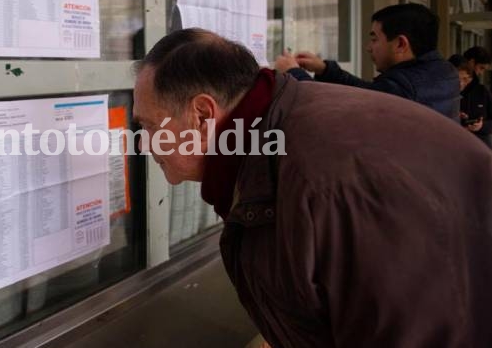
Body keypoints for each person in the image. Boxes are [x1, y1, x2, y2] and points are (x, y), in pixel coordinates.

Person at [133, 28, 492, 348]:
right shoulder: (280, 133)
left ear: (202, 115)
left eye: (150, 126)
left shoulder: (322, 182)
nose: (147, 144)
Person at [275, 3, 459, 120]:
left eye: (374, 39)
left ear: (401, 44)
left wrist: (292, 72)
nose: (369, 47)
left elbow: (326, 105)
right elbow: (367, 91)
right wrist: (324, 69)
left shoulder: (404, 87)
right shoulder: (444, 71)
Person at [457, 59, 492, 147]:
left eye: (465, 79)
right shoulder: (447, 94)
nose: (461, 83)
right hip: (457, 142)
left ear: (471, 78)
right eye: (457, 79)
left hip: (481, 142)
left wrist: (482, 126)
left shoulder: (483, 91)